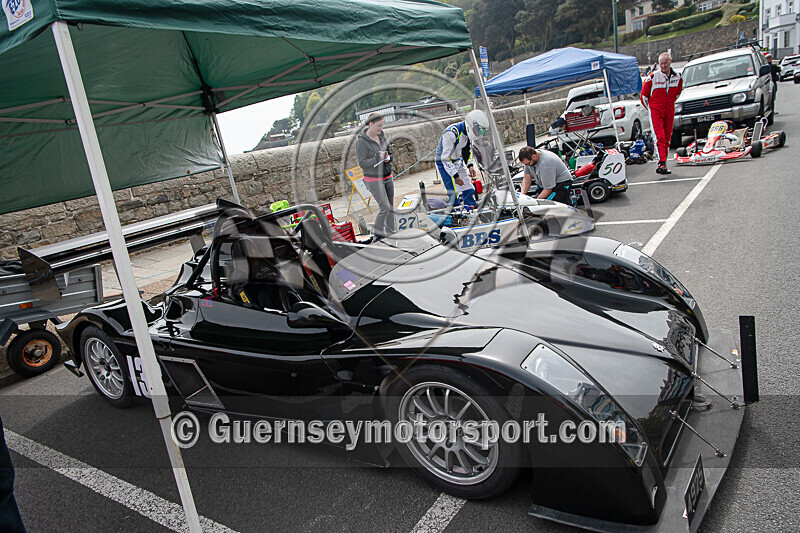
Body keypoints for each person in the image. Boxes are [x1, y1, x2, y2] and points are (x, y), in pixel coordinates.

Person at [435, 110, 489, 208]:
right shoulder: (451, 133)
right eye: (478, 131)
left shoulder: (467, 134)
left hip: (456, 160)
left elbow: (466, 151)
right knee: (452, 192)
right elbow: (445, 158)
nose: (478, 134)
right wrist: (455, 176)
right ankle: (455, 212)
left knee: (467, 186)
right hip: (444, 163)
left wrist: (470, 165)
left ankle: (470, 206)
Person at [641, 51, 683, 175]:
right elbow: (644, 96)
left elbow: (677, 93)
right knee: (659, 136)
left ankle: (664, 161)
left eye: (665, 63)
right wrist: (652, 109)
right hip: (656, 110)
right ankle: (661, 162)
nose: (663, 66)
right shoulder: (652, 77)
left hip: (669, 109)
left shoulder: (678, 77)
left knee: (667, 136)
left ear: (670, 62)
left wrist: (670, 103)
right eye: (661, 64)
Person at [356, 112, 395, 239]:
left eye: (382, 125)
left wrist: (389, 158)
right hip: (373, 179)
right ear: (371, 124)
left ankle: (391, 233)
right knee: (384, 207)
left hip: (387, 176)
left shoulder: (382, 137)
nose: (381, 128)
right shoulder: (362, 142)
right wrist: (377, 158)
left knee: (390, 207)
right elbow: (362, 163)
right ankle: (377, 236)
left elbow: (389, 153)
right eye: (378, 126)